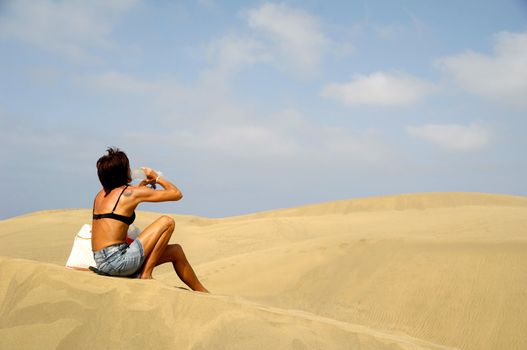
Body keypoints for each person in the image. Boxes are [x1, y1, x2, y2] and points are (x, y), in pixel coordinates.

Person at [91, 147, 209, 293]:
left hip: (102, 262)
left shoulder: (100, 196)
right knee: (167, 221)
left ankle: (203, 293)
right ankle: (146, 275)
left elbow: (118, 213)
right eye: (128, 167)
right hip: (118, 262)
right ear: (123, 172)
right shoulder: (130, 194)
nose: (130, 170)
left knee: (176, 251)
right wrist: (156, 177)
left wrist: (140, 188)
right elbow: (176, 194)